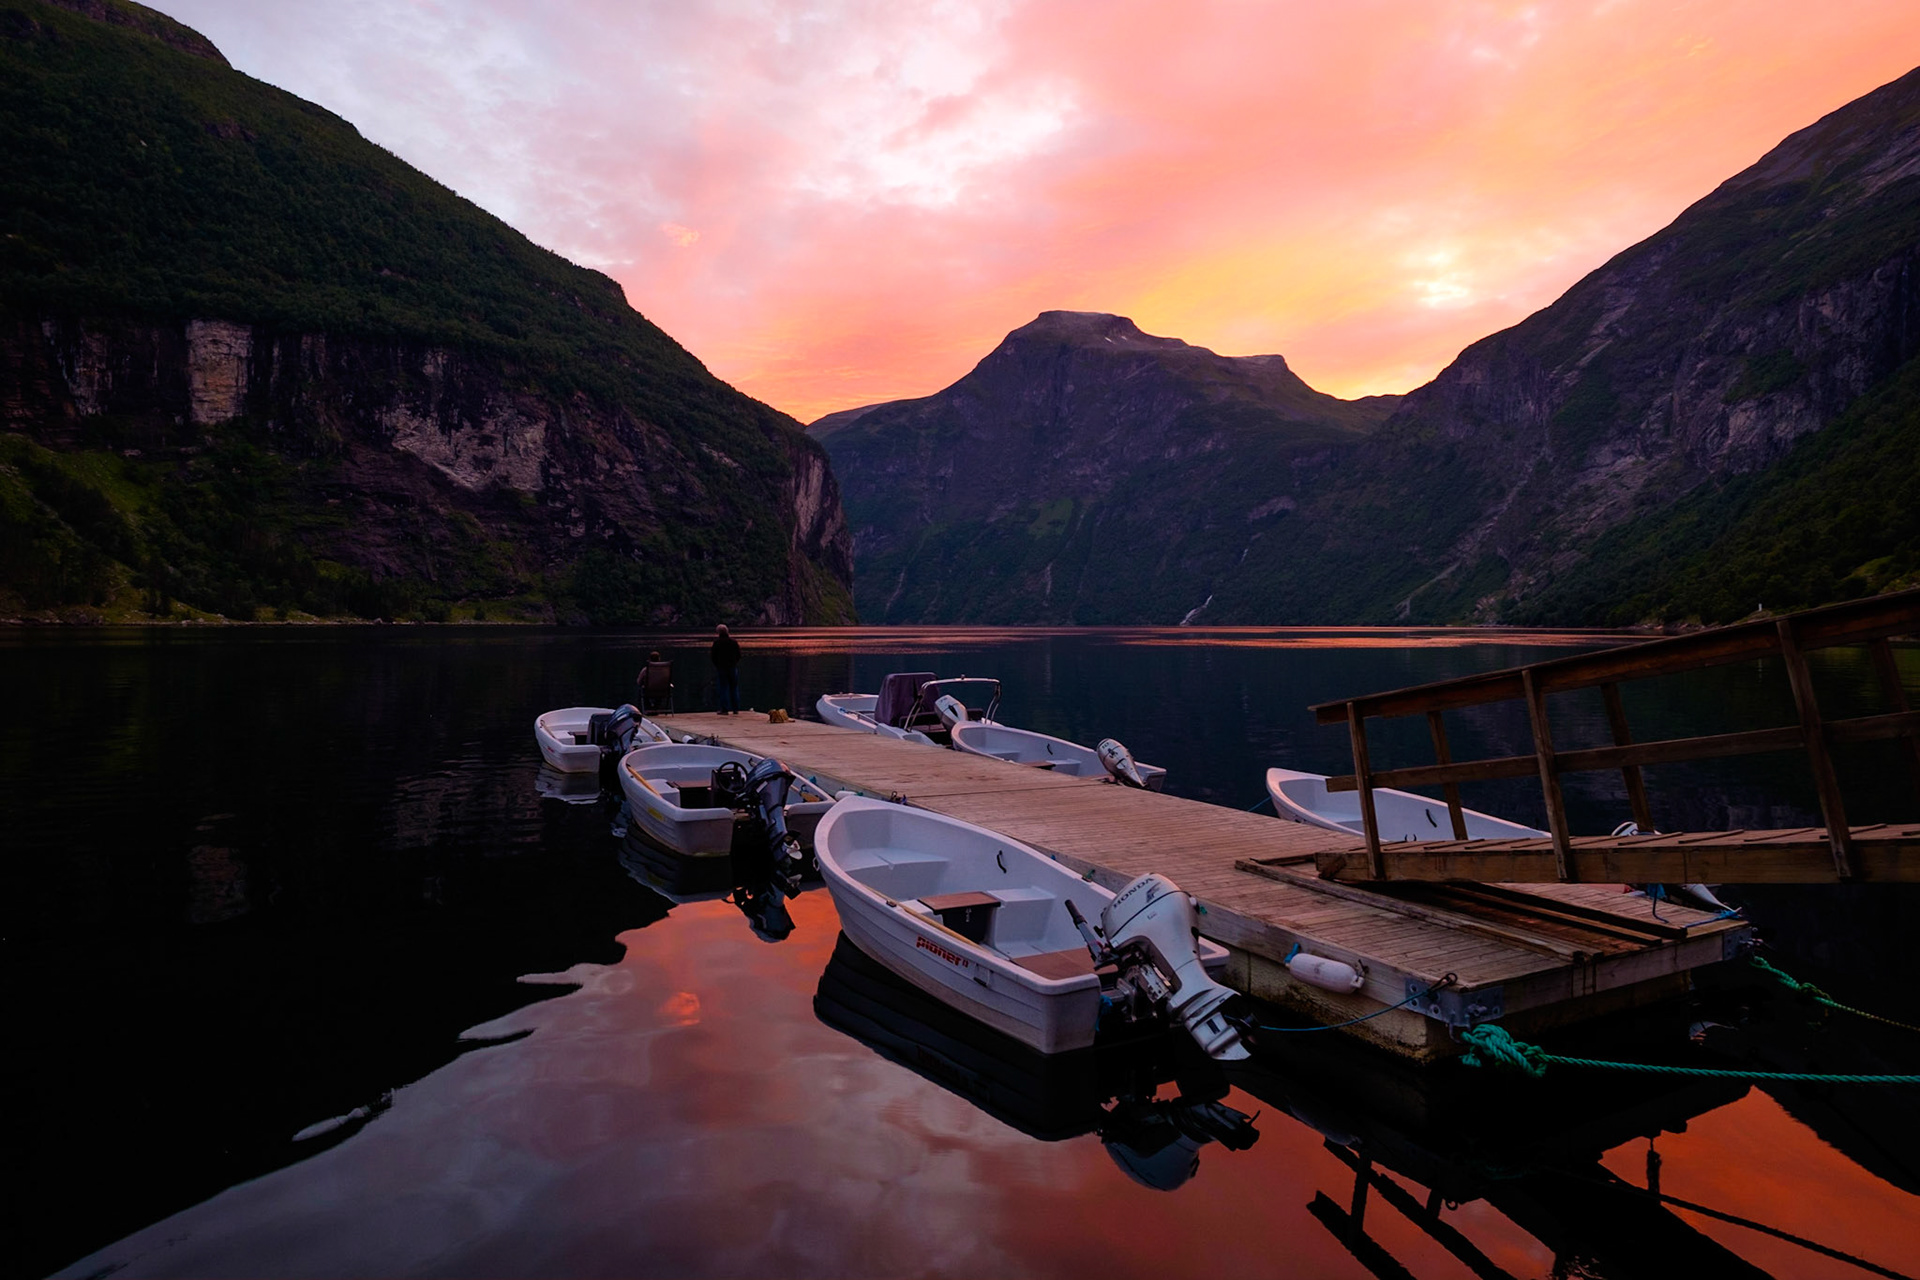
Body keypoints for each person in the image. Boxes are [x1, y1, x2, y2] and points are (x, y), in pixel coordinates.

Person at [710, 624, 741, 714]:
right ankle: (735, 709)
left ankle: (724, 709)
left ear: (718, 632)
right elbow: (738, 655)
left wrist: (717, 665)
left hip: (722, 668)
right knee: (734, 688)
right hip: (732, 667)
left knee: (723, 688)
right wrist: (734, 663)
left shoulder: (717, 643)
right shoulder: (733, 642)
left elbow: (713, 656)